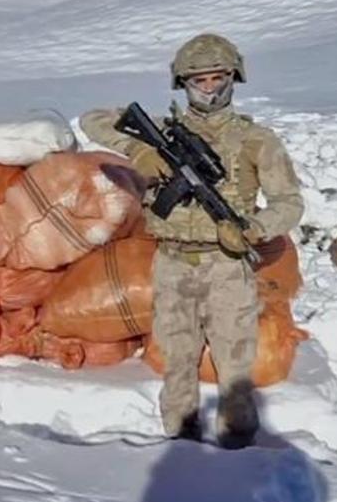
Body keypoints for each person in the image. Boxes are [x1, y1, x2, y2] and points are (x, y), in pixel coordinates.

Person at [80, 33, 303, 448]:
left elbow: (289, 204)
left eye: (217, 78)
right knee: (177, 358)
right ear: (183, 84)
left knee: (235, 363)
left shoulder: (257, 141)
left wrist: (251, 229)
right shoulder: (163, 133)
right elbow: (92, 120)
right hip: (173, 261)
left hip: (226, 264)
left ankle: (238, 446)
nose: (209, 88)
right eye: (198, 80)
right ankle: (179, 443)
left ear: (234, 78)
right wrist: (142, 152)